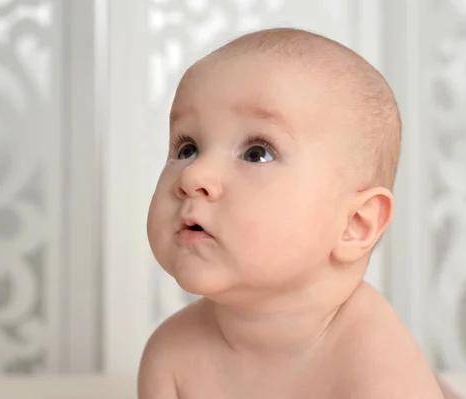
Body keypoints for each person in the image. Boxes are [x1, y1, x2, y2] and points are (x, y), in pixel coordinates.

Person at [139, 27, 447, 398]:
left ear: (355, 224)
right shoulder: (171, 356)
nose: (193, 175)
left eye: (257, 153)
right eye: (187, 148)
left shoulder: (375, 361)